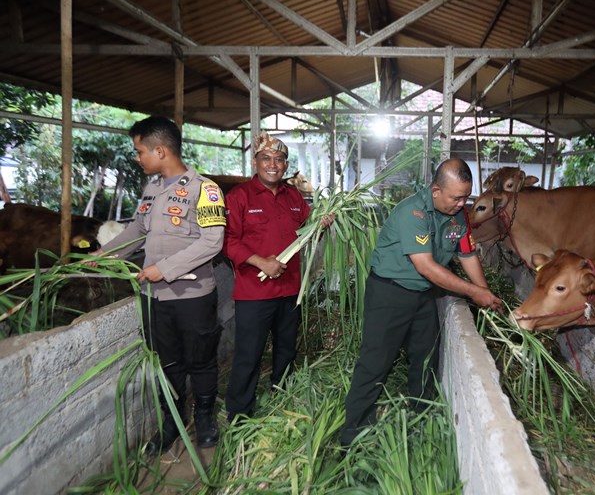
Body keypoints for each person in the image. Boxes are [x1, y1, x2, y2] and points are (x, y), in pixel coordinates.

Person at [339, 158, 502, 447]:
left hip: (424, 294)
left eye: (466, 196)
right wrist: (473, 293)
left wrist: (486, 294)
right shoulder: (412, 213)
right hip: (390, 294)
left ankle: (420, 420)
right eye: (455, 197)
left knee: (426, 359)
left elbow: (466, 255)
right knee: (375, 363)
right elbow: (426, 266)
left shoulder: (460, 215)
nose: (461, 203)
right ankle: (353, 436)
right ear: (436, 190)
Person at [94, 116, 226, 454]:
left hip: (193, 296)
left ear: (161, 150)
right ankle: (172, 423)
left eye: (140, 152)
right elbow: (136, 231)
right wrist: (102, 255)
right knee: (167, 362)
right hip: (154, 299)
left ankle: (206, 418)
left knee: (200, 361)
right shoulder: (151, 190)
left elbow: (212, 242)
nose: (138, 158)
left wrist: (162, 269)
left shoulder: (205, 189)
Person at [223, 132, 333, 422]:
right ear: (256, 161)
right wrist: (261, 262)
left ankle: (281, 398)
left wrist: (322, 224)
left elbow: (309, 231)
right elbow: (228, 241)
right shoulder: (240, 196)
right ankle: (239, 414)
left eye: (280, 159)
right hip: (254, 293)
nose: (273, 164)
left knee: (286, 349)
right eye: (266, 158)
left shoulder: (294, 196)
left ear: (286, 165)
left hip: (290, 290)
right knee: (249, 354)